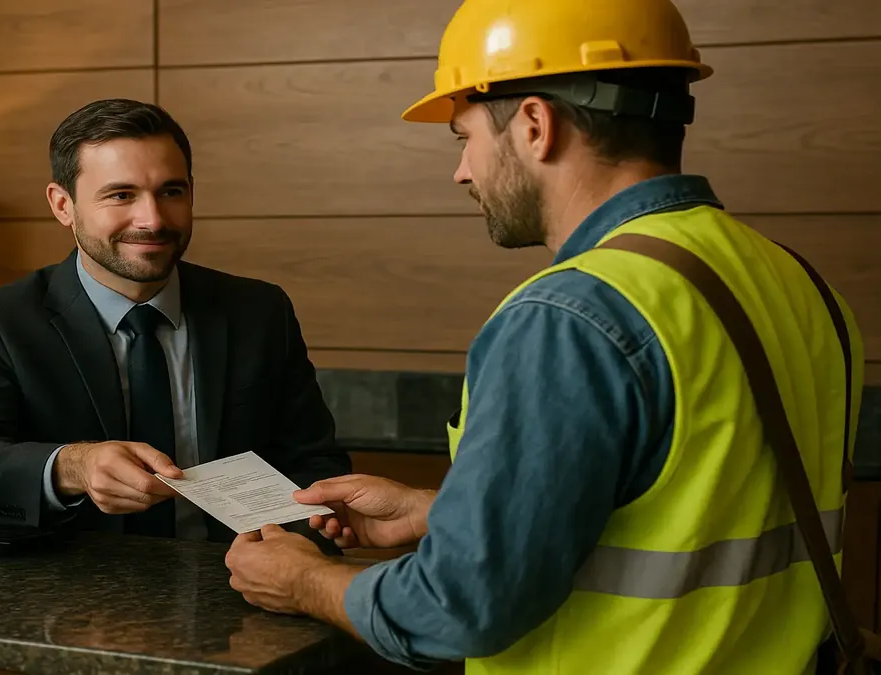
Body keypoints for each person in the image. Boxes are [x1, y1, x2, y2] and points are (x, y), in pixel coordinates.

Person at [223, 1, 864, 673]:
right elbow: (700, 508)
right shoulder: (797, 281)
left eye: (464, 136)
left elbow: (459, 605)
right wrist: (443, 513)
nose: (462, 172)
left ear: (534, 123)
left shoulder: (571, 316)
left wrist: (304, 580)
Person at [0, 98, 350, 545]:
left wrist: (314, 530)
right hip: (71, 589)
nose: (152, 219)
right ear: (62, 205)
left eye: (171, 192)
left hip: (240, 580)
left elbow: (314, 461)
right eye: (121, 195)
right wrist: (75, 466)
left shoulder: (260, 310)